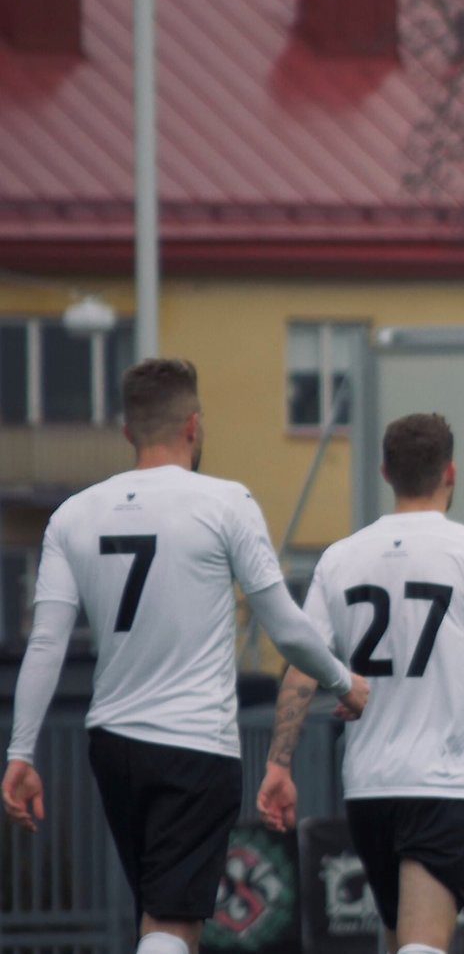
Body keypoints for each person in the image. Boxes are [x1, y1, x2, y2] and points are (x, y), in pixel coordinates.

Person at [2, 358, 369, 954]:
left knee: (159, 915)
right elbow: (286, 627)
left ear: (127, 432)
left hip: (112, 745)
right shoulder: (225, 503)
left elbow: (46, 644)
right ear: (194, 425)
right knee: (174, 925)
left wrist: (21, 752)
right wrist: (342, 679)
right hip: (192, 745)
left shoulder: (72, 515)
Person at [254, 412, 464, 954]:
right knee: (424, 945)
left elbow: (302, 667)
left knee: (399, 941)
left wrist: (278, 763)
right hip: (437, 782)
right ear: (450, 471)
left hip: (367, 787)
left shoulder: (341, 557)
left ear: (386, 472)